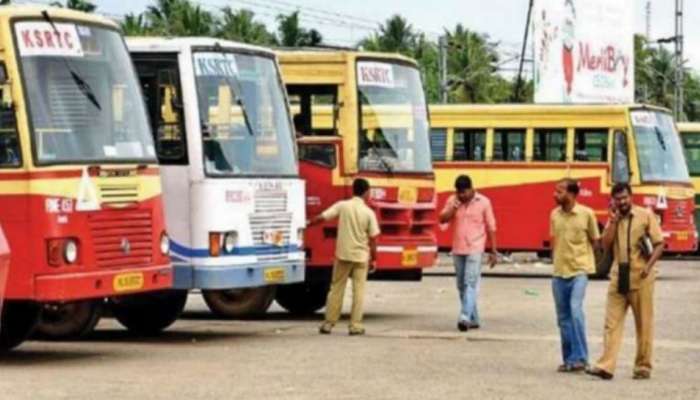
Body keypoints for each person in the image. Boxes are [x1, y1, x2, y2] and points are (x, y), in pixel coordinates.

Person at [587, 183, 664, 380]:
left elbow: (659, 244)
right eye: (618, 199)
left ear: (631, 197)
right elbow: (605, 245)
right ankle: (606, 366)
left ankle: (642, 366)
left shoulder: (645, 215)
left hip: (641, 276)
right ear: (613, 200)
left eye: (624, 198)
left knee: (644, 324)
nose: (621, 202)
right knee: (611, 323)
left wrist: (649, 267)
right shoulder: (614, 218)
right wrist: (612, 221)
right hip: (617, 276)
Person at [307, 178, 380, 336]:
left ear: (353, 190)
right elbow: (373, 239)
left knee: (336, 289)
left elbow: (322, 217)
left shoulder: (343, 206)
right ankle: (355, 326)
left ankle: (328, 324)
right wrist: (374, 259)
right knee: (358, 291)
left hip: (343, 255)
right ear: (366, 192)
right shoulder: (369, 213)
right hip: (361, 257)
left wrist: (307, 223)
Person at [549, 178, 600, 373]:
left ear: (571, 194)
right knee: (563, 318)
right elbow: (555, 241)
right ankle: (569, 359)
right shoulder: (554, 215)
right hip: (559, 273)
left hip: (579, 270)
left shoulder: (587, 214)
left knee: (575, 311)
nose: (556, 194)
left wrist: (588, 261)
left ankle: (581, 357)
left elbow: (595, 241)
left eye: (560, 191)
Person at [439, 175, 497, 332]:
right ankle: (474, 318)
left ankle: (464, 317)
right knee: (461, 285)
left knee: (470, 282)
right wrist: (454, 207)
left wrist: (493, 251)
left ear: (472, 189)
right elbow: (442, 219)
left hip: (475, 248)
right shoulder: (453, 201)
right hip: (458, 248)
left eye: (464, 192)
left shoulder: (484, 202)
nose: (461, 195)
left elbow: (491, 227)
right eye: (459, 193)